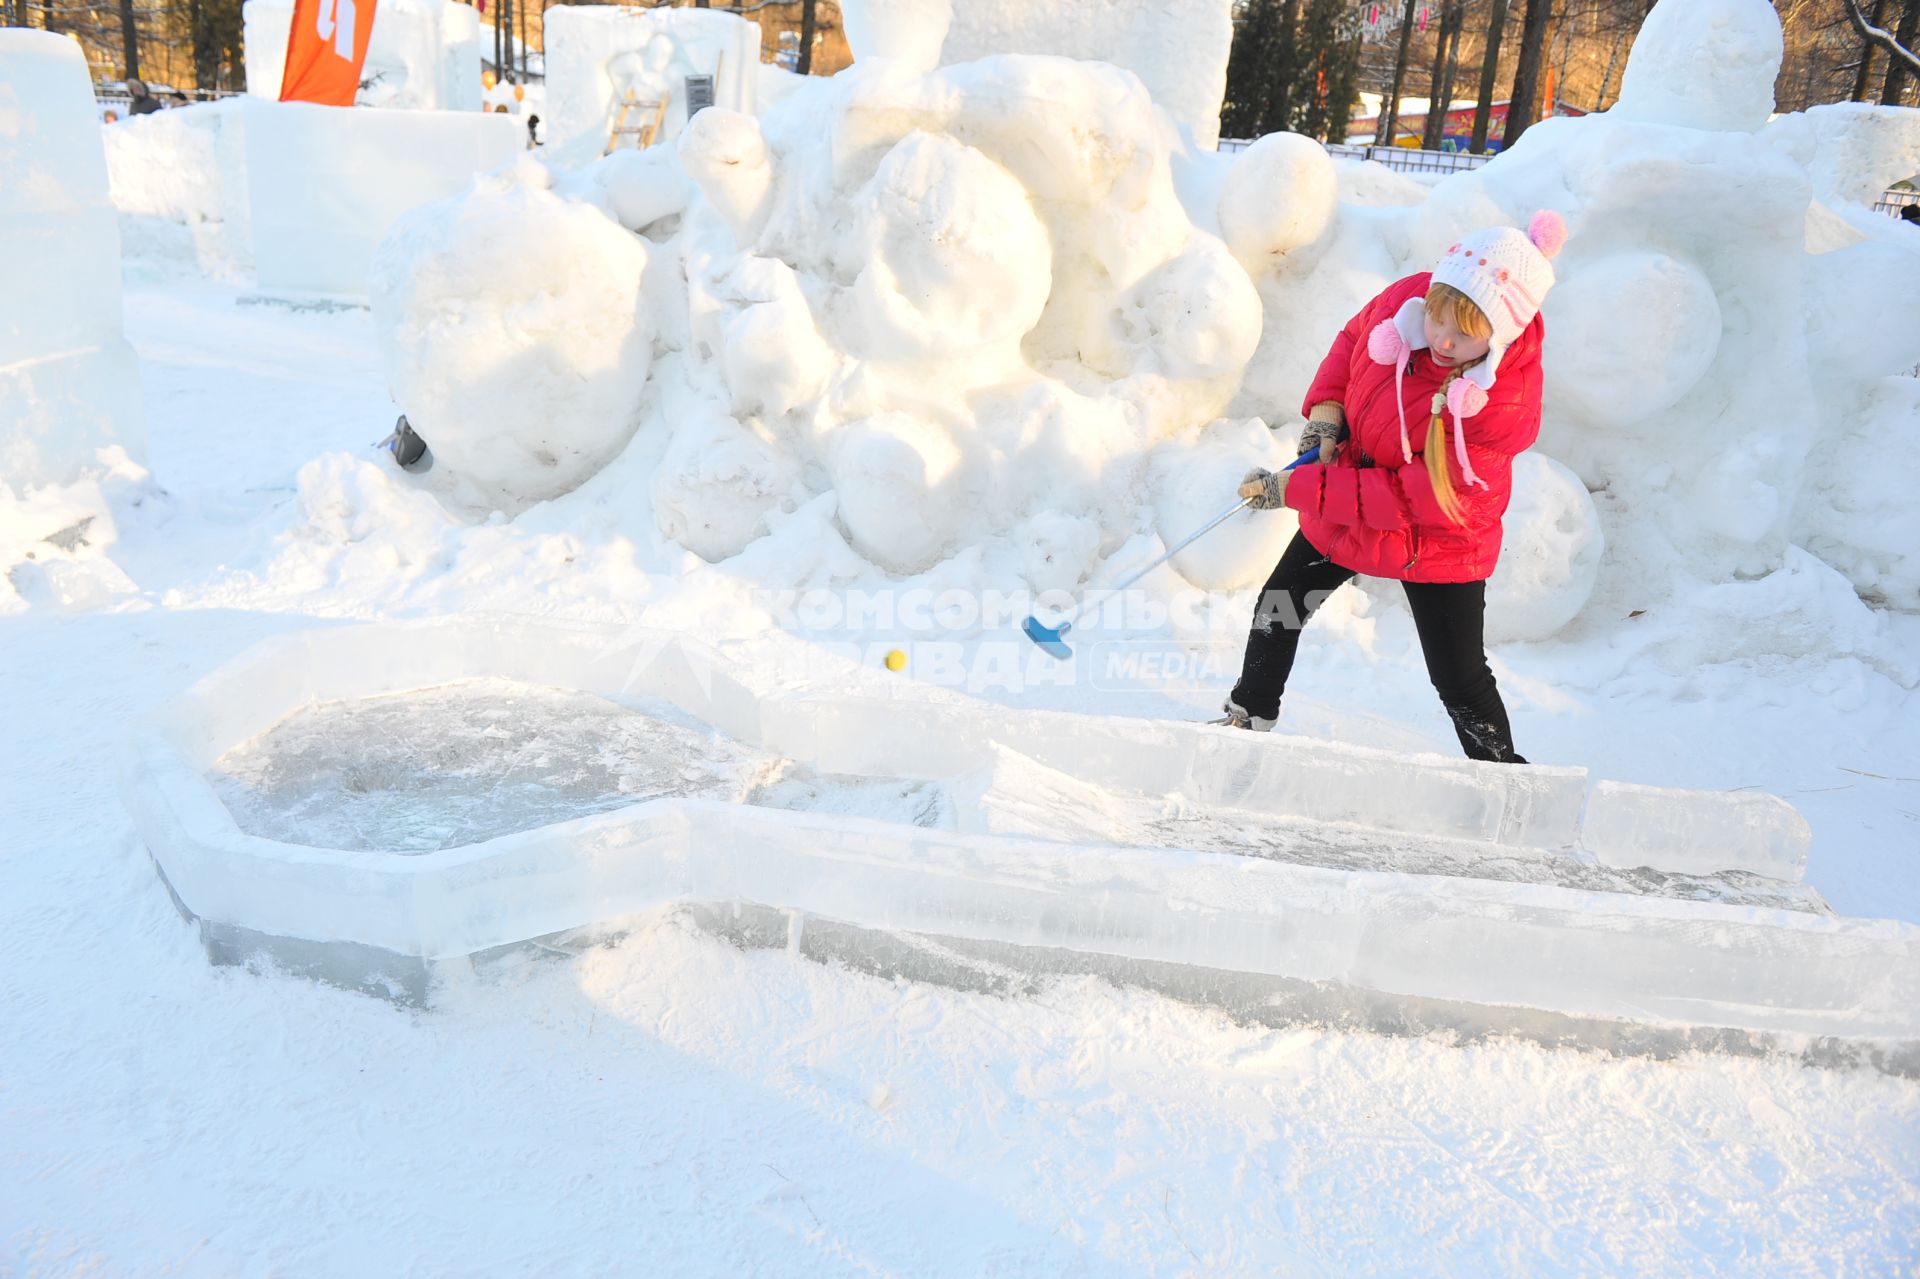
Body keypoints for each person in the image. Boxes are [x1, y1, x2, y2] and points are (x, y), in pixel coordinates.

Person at [1220, 212, 1569, 764]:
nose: (1443, 339)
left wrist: (1297, 489)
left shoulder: (1496, 405)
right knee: (1279, 608)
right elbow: (1354, 339)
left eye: (1465, 332)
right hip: (1347, 490)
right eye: (1437, 320)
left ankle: (1505, 778)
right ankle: (1247, 717)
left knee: (1458, 676)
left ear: (1500, 333)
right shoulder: (1412, 299)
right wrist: (1329, 412)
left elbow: (1407, 500)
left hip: (1441, 538)